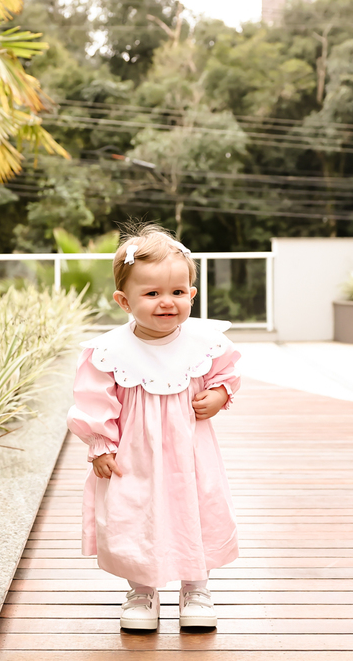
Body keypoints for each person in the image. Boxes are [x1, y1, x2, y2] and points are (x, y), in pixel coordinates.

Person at [66, 223, 242, 631]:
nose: (167, 302)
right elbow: (94, 399)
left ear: (191, 295)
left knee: (197, 508)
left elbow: (227, 372)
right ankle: (142, 590)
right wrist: (100, 443)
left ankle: (196, 587)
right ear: (124, 301)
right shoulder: (108, 351)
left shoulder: (204, 342)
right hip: (135, 455)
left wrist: (219, 394)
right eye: (152, 294)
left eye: (177, 292)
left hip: (191, 452)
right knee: (135, 513)